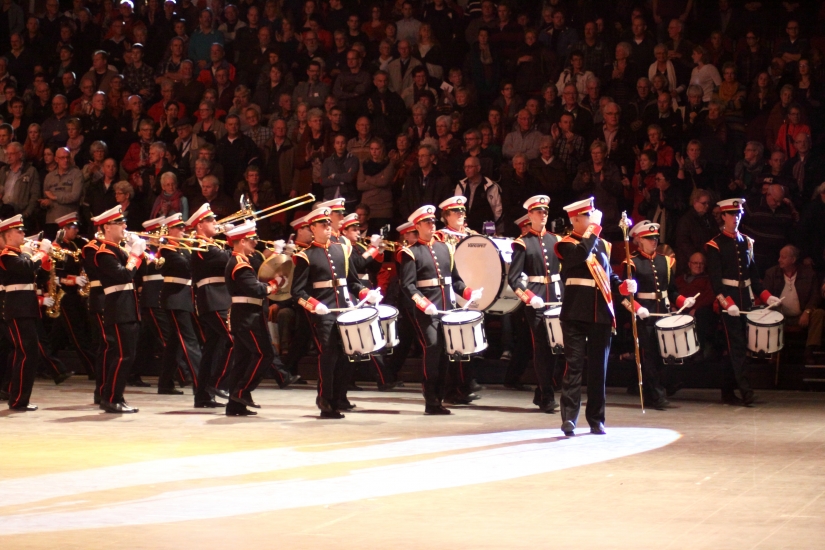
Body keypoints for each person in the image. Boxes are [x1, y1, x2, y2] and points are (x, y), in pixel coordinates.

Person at [291, 206, 378, 418]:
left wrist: (367, 293)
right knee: (328, 355)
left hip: (345, 310)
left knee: (346, 356)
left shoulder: (342, 250)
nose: (328, 227)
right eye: (323, 224)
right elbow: (297, 291)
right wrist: (313, 304)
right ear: (312, 227)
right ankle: (325, 399)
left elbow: (353, 282)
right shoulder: (306, 256)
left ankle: (338, 397)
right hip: (323, 312)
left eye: (329, 223)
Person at [399, 204, 481, 414]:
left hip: (448, 309)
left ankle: (440, 396)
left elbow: (455, 280)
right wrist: (423, 303)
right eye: (427, 222)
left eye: (433, 221)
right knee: (433, 348)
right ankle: (431, 399)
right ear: (417, 226)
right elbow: (408, 285)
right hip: (428, 310)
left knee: (446, 352)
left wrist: (469, 293)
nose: (431, 224)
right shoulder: (411, 252)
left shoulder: (446, 248)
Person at [556, 197, 625, 436]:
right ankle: (569, 419)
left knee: (599, 369)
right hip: (575, 313)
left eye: (593, 214)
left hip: (600, 314)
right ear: (575, 219)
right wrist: (594, 230)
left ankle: (596, 419)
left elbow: (608, 276)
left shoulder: (603, 245)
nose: (594, 218)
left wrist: (623, 286)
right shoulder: (565, 244)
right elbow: (580, 256)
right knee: (574, 367)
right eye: (589, 215)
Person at [705, 198, 781, 406]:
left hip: (745, 300)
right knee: (737, 346)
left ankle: (727, 392)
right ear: (723, 216)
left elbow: (753, 276)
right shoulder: (715, 245)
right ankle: (747, 392)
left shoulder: (747, 242)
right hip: (729, 303)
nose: (736, 218)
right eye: (732, 215)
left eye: (738, 214)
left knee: (736, 348)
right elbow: (716, 281)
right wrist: (727, 303)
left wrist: (766, 296)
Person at [620, 220, 696, 409]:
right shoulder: (632, 263)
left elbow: (671, 291)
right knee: (650, 356)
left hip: (663, 313)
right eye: (649, 238)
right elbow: (624, 297)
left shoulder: (665, 261)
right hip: (644, 315)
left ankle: (652, 390)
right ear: (639, 240)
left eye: (655, 238)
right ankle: (656, 394)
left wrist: (683, 301)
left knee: (664, 354)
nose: (654, 241)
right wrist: (638, 309)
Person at [508, 195, 564, 412]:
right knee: (543, 349)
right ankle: (547, 395)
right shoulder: (523, 243)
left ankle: (542, 391)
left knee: (559, 349)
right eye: (538, 212)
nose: (543, 216)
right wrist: (530, 298)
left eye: (545, 212)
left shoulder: (556, 240)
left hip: (557, 298)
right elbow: (514, 280)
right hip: (537, 302)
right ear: (530, 215)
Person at [222, 219, 281, 416]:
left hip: (244, 315)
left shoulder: (243, 261)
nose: (255, 242)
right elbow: (256, 289)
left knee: (242, 359)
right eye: (251, 240)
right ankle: (242, 391)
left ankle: (234, 404)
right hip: (248, 316)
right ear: (241, 241)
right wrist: (275, 283)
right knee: (265, 354)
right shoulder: (240, 264)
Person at [92, 205, 147, 413]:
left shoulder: (119, 250)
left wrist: (139, 252)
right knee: (122, 356)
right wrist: (134, 253)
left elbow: (138, 271)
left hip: (128, 307)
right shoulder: (103, 252)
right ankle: (110, 398)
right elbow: (124, 275)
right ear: (107, 227)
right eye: (119, 223)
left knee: (127, 355)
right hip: (118, 308)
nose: (124, 226)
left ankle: (117, 396)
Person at [0, 216, 54, 411]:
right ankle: (18, 399)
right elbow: (27, 267)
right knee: (26, 354)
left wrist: (42, 256)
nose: (23, 234)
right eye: (19, 231)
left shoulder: (20, 254)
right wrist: (41, 252)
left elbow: (37, 271)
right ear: (7, 235)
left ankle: (19, 398)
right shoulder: (6, 255)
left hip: (26, 308)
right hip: (17, 309)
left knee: (28, 354)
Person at [156, 213, 201, 396]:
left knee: (174, 344)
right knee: (190, 341)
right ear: (170, 230)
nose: (184, 231)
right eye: (179, 228)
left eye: (184, 227)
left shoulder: (183, 248)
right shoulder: (166, 249)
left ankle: (165, 383)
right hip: (175, 298)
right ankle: (202, 382)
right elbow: (185, 266)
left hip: (183, 297)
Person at [762, 245, 824, 364]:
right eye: (780, 256)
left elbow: (815, 296)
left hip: (801, 316)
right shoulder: (771, 273)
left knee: (819, 314)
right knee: (768, 314)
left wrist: (807, 311)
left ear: (793, 259)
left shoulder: (809, 274)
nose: (779, 260)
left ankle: (809, 351)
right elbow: (765, 294)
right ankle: (774, 351)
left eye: (783, 257)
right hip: (778, 316)